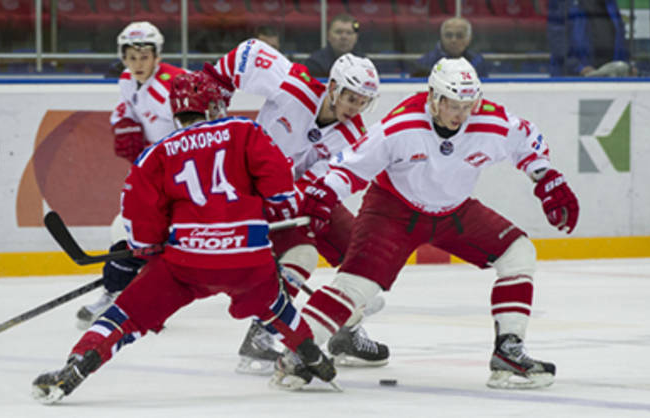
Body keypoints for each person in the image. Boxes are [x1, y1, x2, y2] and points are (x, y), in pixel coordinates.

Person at [32, 70, 337, 404]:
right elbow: (280, 186)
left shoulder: (157, 153)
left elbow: (139, 216)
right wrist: (273, 212)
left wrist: (149, 249)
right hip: (248, 258)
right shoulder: (244, 130)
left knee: (126, 314)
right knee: (275, 307)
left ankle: (80, 361)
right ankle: (312, 355)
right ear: (212, 107)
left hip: (186, 261)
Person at [292, 57, 580, 389]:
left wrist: (546, 178)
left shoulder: (490, 120)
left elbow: (526, 139)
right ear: (433, 97)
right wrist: (325, 193)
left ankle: (508, 352)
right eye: (453, 105)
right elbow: (352, 166)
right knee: (356, 288)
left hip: (454, 213)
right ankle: (296, 354)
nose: (461, 114)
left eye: (468, 105)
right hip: (392, 212)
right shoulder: (401, 125)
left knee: (519, 253)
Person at [205, 39, 389, 374]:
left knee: (362, 255)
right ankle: (262, 333)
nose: (355, 108)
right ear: (332, 88)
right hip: (246, 189)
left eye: (363, 102)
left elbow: (321, 181)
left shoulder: (354, 136)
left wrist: (296, 199)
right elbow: (249, 52)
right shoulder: (295, 87)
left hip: (295, 198)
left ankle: (346, 332)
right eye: (351, 98)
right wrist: (215, 86)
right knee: (301, 256)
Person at [76, 21, 186, 330]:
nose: (137, 64)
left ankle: (126, 294)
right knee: (129, 230)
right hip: (153, 175)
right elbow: (127, 107)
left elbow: (201, 133)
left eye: (144, 57)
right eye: (131, 57)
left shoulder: (174, 87)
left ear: (157, 56)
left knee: (138, 232)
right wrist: (124, 121)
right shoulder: (127, 80)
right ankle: (124, 293)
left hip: (180, 177)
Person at [548, 0, 631, 77]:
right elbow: (557, 42)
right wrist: (579, 67)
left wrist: (626, 66)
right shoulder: (564, 3)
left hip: (610, 77)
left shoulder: (610, 3)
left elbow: (620, 37)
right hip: (573, 79)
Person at [413, 17, 489, 78]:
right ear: (441, 37)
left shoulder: (478, 62)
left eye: (459, 35)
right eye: (448, 35)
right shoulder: (425, 63)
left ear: (469, 38)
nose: (453, 40)